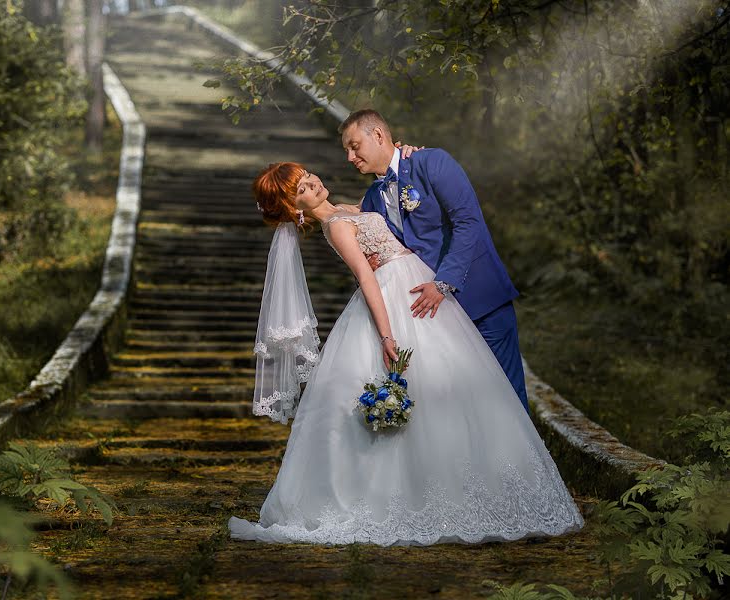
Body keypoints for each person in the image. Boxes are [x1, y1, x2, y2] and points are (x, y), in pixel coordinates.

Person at [227, 163, 584, 546]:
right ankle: (406, 495)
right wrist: (386, 335)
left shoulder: (349, 209)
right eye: (301, 190)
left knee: (454, 381)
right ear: (295, 208)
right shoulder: (336, 226)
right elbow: (367, 278)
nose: (312, 183)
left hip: (416, 284)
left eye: (307, 177)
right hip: (393, 297)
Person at [342, 110, 529, 412]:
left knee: (508, 402)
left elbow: (469, 223)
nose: (350, 157)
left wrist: (443, 284)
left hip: (480, 301)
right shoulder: (374, 197)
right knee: (464, 410)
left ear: (377, 135)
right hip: (437, 323)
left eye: (354, 146)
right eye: (346, 150)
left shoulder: (431, 162)